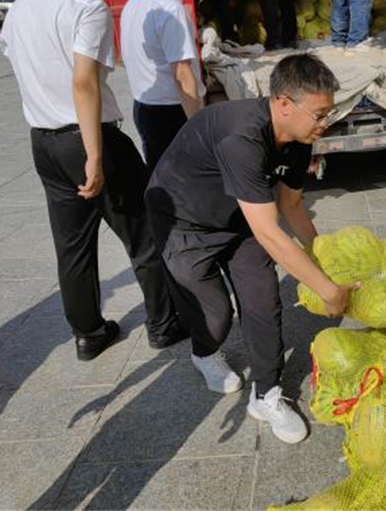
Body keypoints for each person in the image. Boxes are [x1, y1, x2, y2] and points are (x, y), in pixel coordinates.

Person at [145, 54, 356, 444]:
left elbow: (291, 205)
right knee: (216, 317)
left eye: (329, 113)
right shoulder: (241, 136)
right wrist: (328, 291)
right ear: (284, 104)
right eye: (320, 114)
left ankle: (267, 394)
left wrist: (323, 260)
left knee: (262, 299)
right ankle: (204, 352)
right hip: (183, 221)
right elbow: (271, 233)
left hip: (239, 217)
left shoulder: (300, 138)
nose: (325, 123)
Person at [0, 0, 185, 360]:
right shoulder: (86, 6)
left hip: (44, 143)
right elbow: (83, 82)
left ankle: (88, 334)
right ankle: (163, 323)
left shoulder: (19, 9)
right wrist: (95, 156)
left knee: (72, 245)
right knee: (143, 230)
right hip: (89, 138)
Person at [121, 0, 205, 173]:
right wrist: (198, 128)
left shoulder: (133, 3)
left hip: (144, 108)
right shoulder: (170, 8)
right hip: (172, 113)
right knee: (185, 182)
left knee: (160, 178)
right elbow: (182, 75)